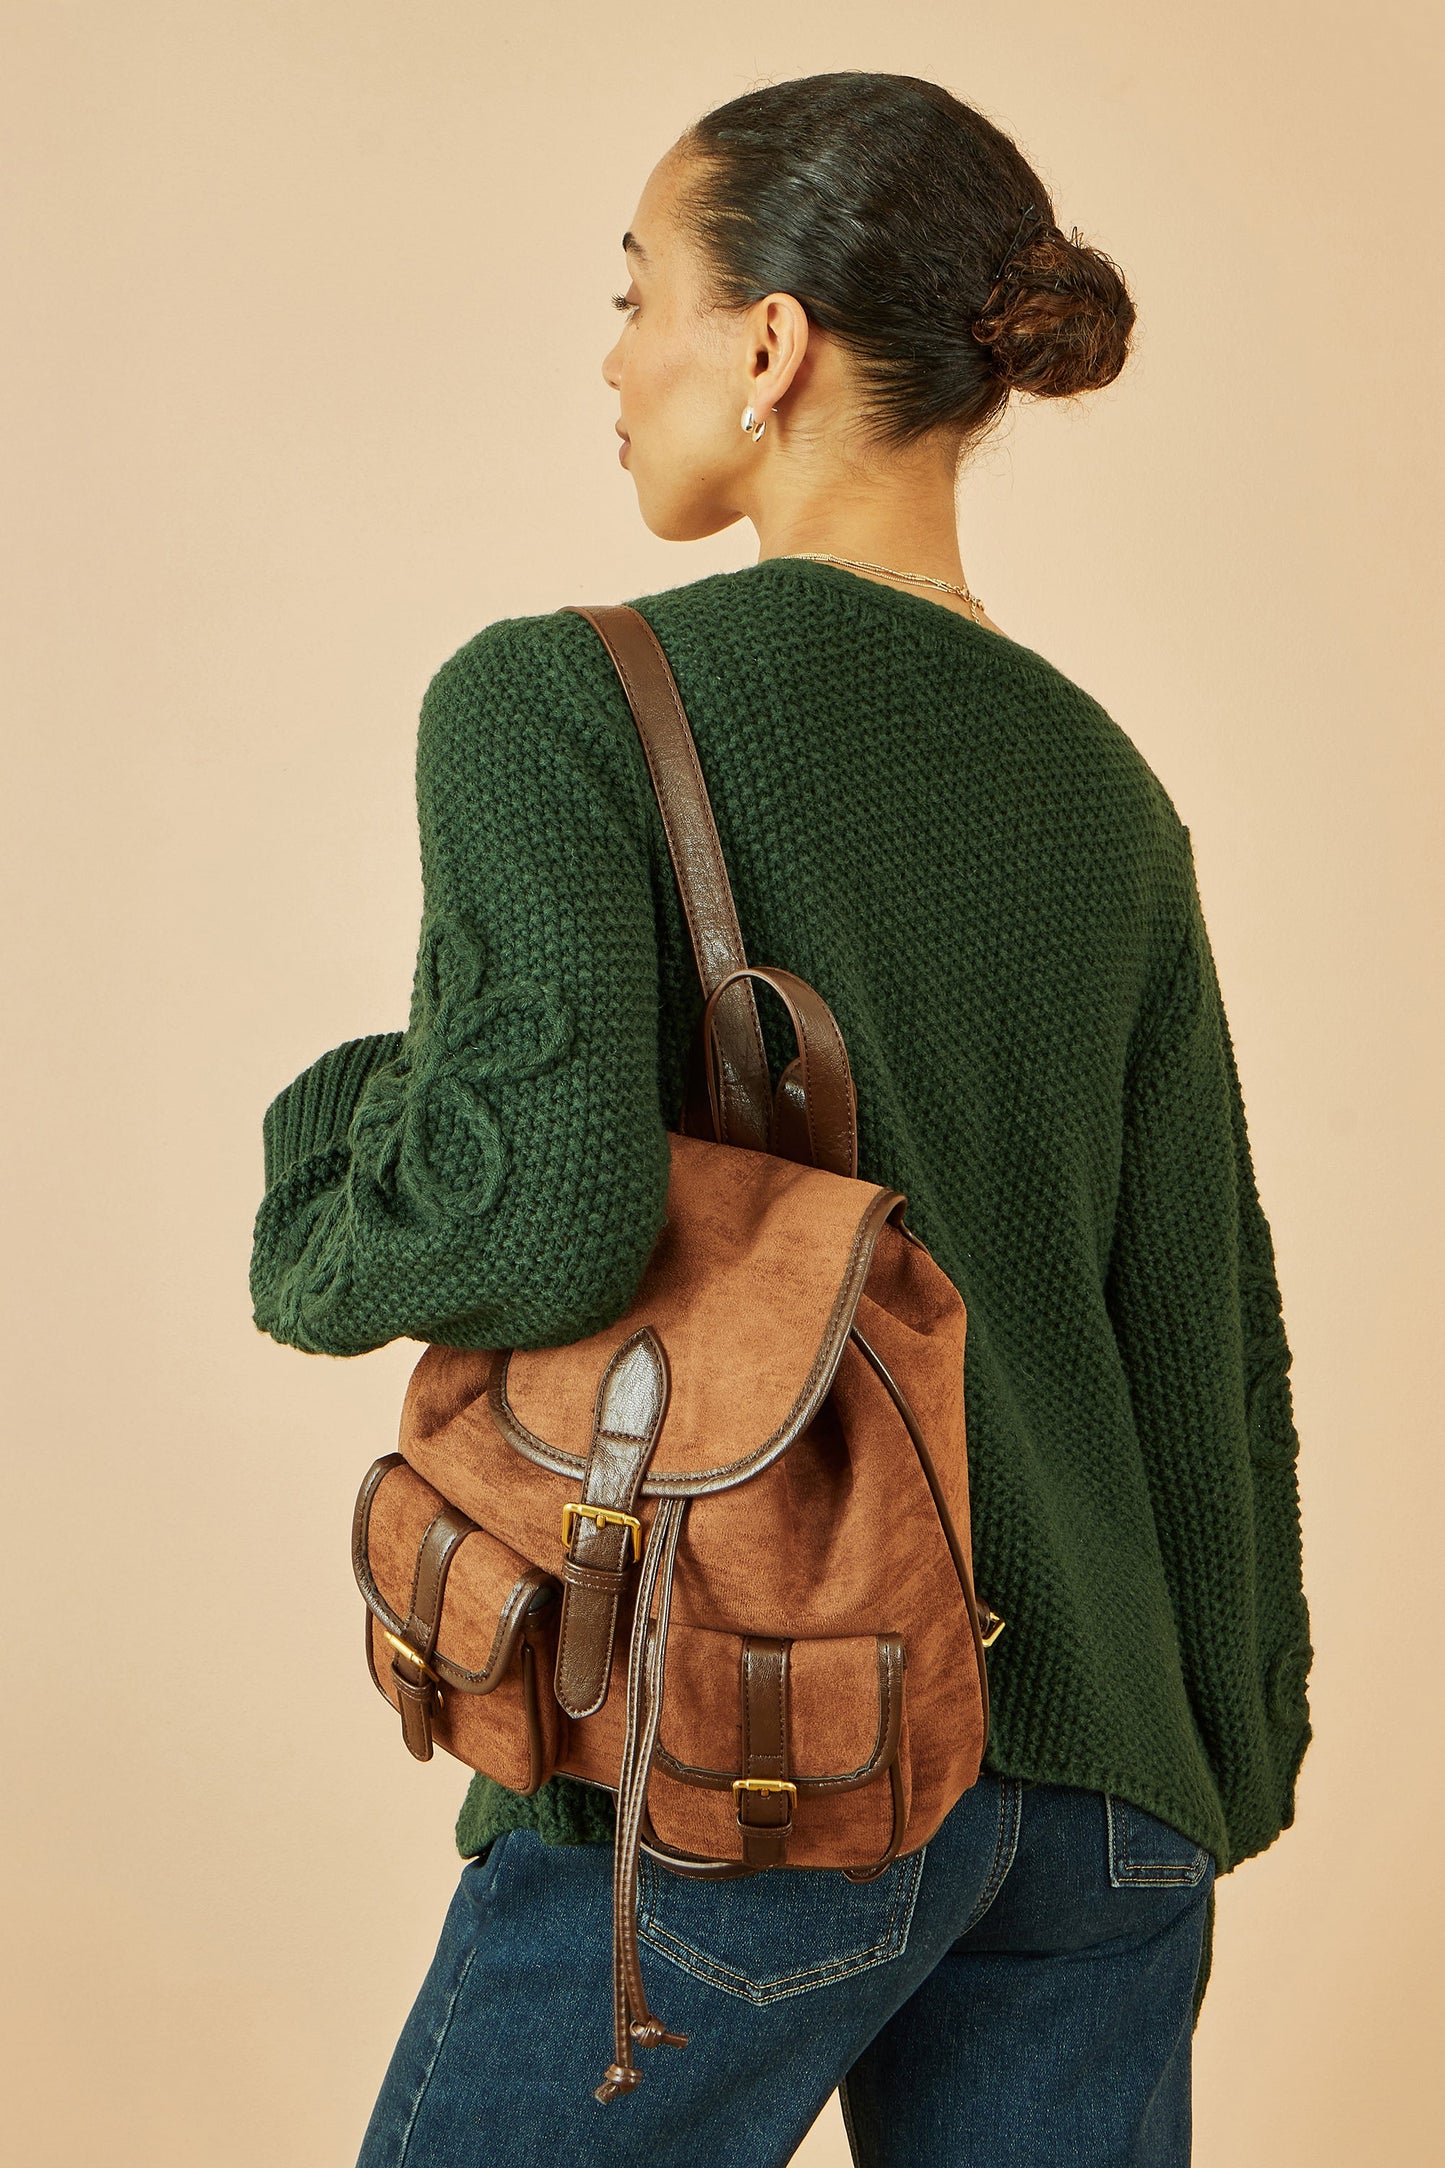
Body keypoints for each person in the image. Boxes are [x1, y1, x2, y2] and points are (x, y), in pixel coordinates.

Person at [249, 69, 1313, 2168]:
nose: (615, 357)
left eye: (637, 292)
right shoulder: (1107, 793)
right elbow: (1199, 1330)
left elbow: (536, 1212)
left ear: (768, 344)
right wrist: (1216, 1769)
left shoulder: (552, 697)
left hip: (760, 1731)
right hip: (1106, 1799)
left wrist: (327, 1144)